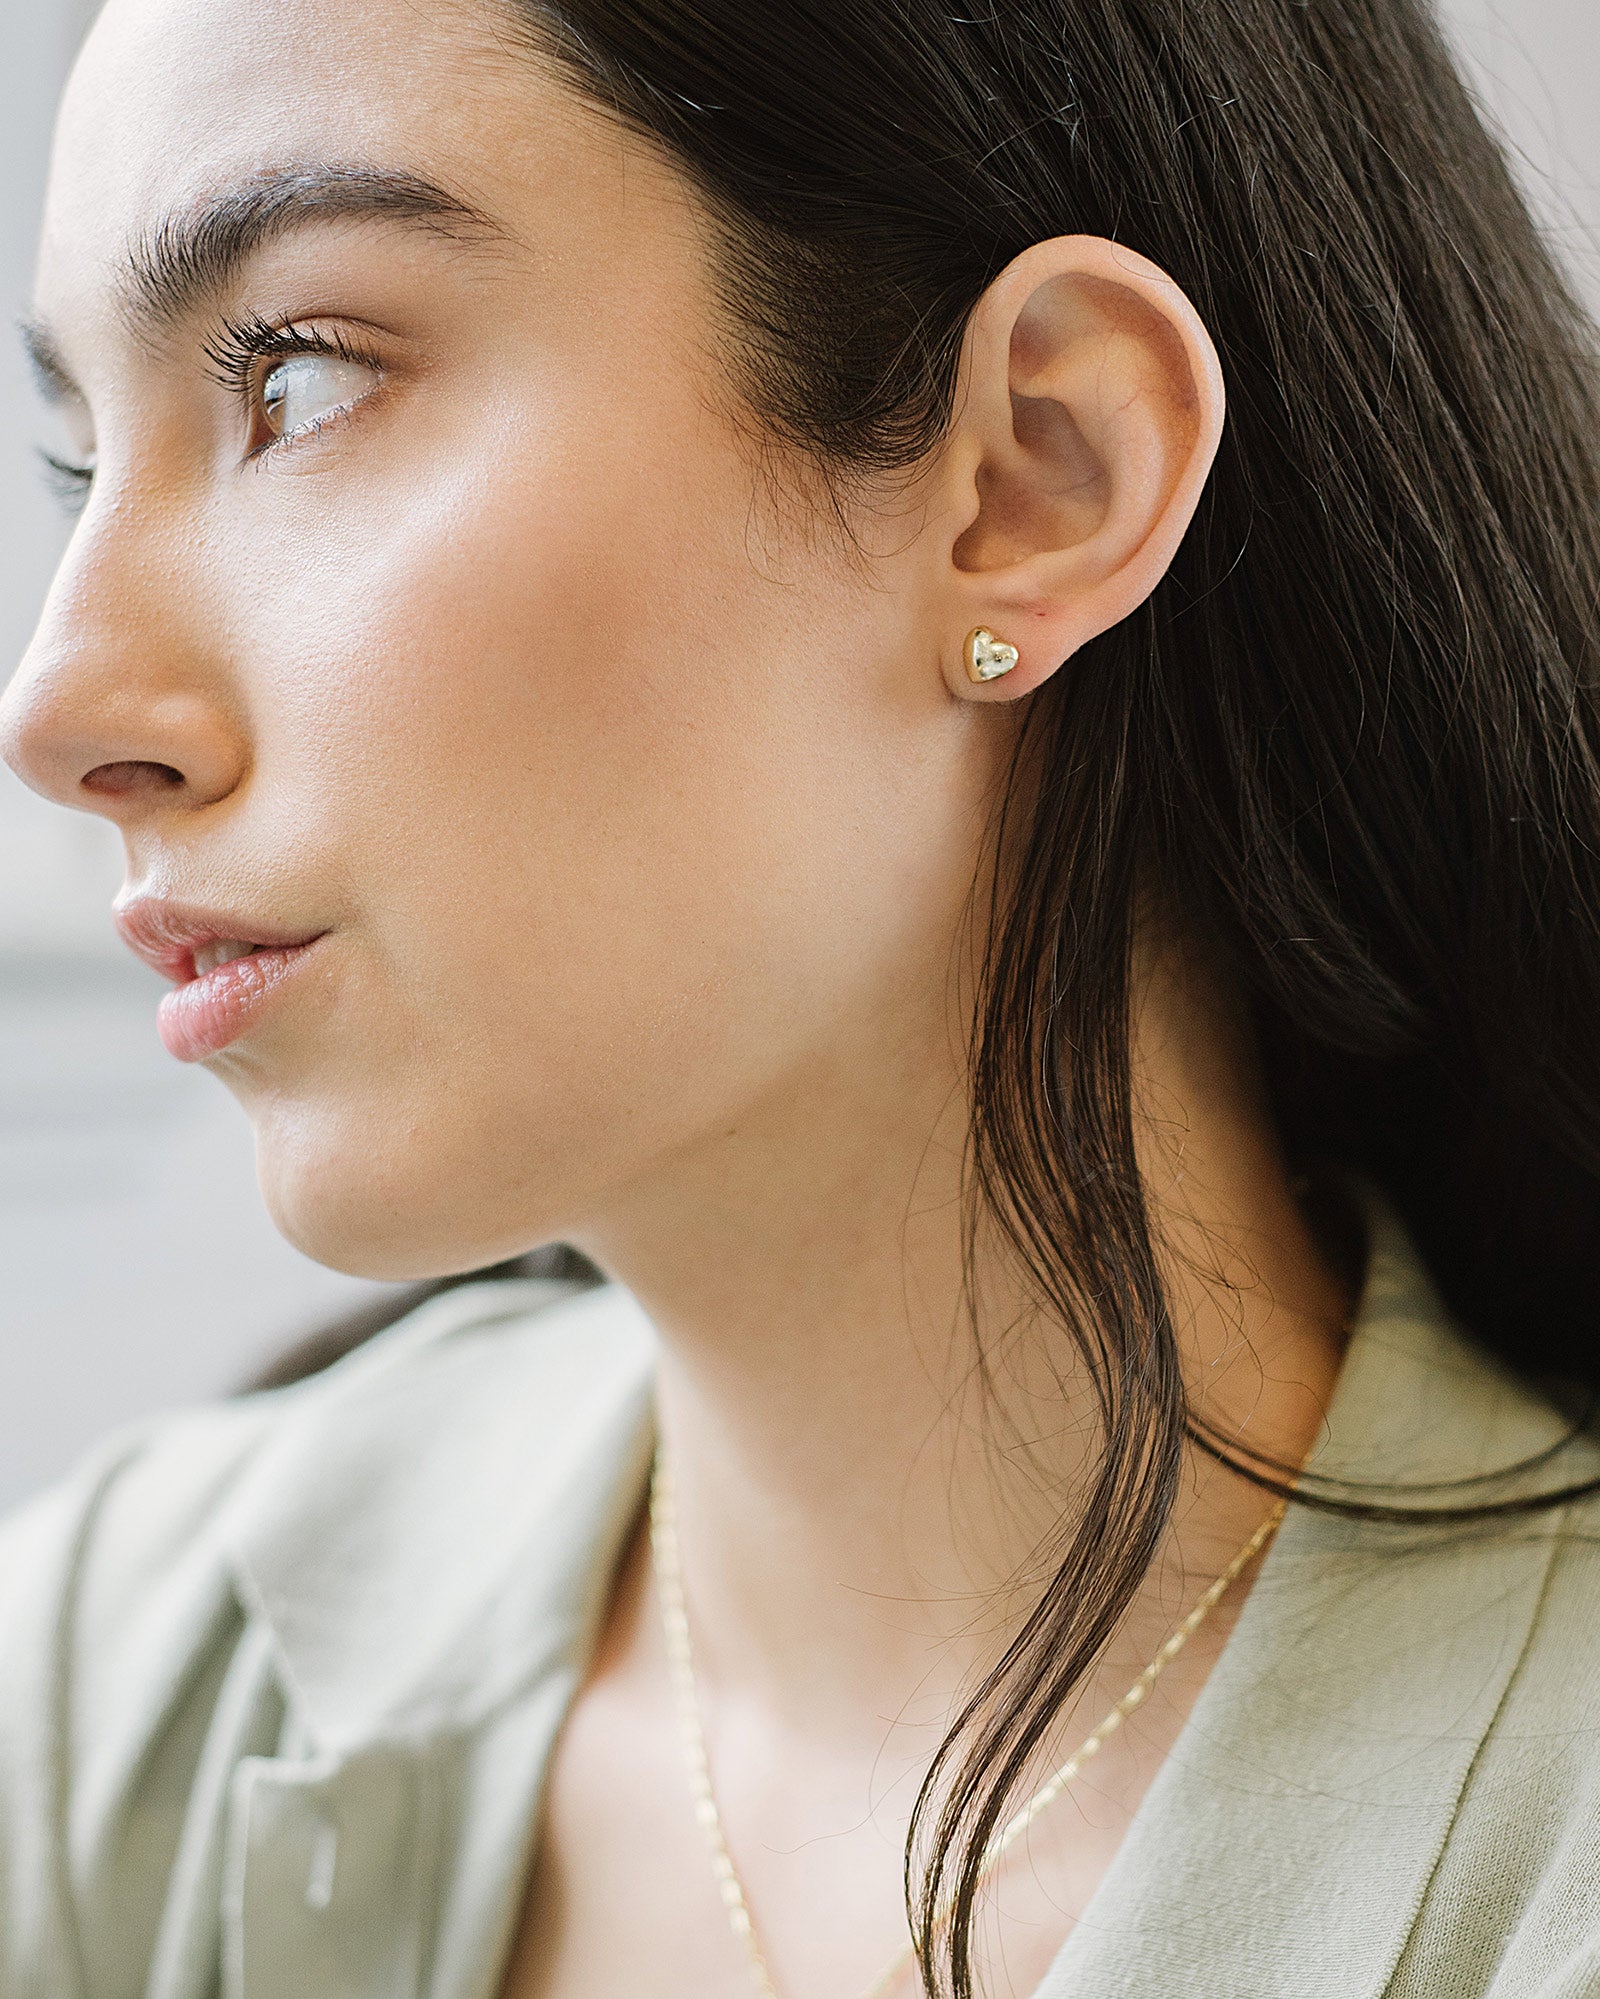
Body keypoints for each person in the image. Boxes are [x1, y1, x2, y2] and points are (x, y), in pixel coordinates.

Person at [4, 0, 1600, 1993]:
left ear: (1037, 471)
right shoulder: (114, 1683)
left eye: (301, 380)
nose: (59, 712)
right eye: (82, 463)